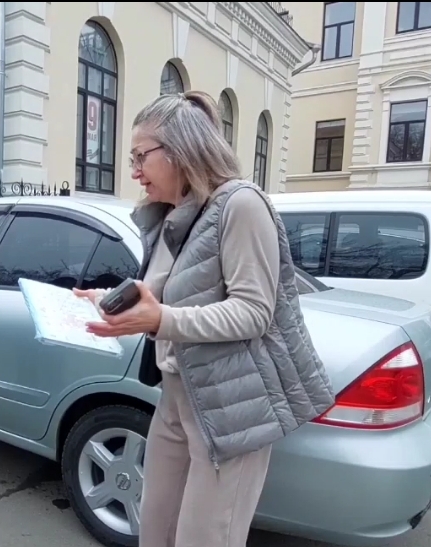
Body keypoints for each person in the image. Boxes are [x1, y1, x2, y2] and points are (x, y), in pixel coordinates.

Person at [75, 91, 336, 547]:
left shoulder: (242, 205)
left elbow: (254, 312)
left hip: (231, 410)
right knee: (155, 529)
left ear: (180, 150)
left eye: (141, 156)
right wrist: (108, 300)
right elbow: (161, 295)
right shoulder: (175, 214)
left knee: (206, 538)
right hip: (177, 395)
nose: (133, 170)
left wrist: (161, 321)